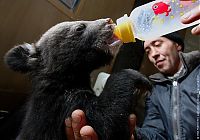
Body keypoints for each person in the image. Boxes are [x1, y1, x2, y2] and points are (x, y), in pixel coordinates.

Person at [65, 4, 200, 140]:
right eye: (148, 50)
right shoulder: (155, 90)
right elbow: (157, 133)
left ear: (177, 46)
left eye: (158, 44)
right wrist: (133, 135)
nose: (153, 54)